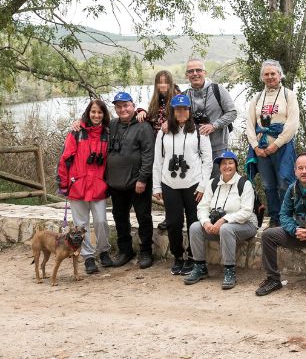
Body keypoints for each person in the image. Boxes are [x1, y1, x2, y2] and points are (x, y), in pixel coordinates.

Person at [255, 153, 306, 296]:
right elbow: (284, 215)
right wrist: (295, 230)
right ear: (295, 171)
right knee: (268, 235)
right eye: (300, 168)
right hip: (298, 232)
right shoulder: (293, 188)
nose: (304, 171)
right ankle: (273, 279)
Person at [153, 94, 213, 275]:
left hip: (193, 184)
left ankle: (194, 256)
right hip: (170, 183)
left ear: (189, 111)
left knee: (194, 222)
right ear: (172, 111)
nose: (181, 112)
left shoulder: (199, 132)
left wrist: (203, 185)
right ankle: (178, 255)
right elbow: (158, 160)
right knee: (173, 222)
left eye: (184, 109)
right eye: (177, 109)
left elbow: (207, 161)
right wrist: (157, 186)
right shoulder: (163, 133)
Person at [184, 151, 258, 289]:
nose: (227, 166)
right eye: (224, 163)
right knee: (195, 227)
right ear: (219, 167)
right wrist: (205, 222)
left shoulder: (244, 183)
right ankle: (200, 267)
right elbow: (203, 207)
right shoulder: (212, 183)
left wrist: (224, 220)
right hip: (218, 225)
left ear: (236, 165)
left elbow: (246, 212)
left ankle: (229, 270)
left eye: (230, 163)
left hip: (246, 225)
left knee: (226, 228)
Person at [57, 99, 113, 274]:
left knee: (101, 221)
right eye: (93, 112)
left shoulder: (108, 133)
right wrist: (64, 184)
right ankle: (88, 256)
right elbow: (65, 159)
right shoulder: (76, 133)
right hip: (78, 185)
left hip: (98, 185)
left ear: (104, 115)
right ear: (88, 113)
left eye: (100, 112)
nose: (96, 115)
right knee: (81, 224)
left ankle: (103, 251)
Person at [106, 91, 156, 269]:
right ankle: (125, 251)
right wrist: (77, 124)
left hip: (138, 183)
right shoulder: (112, 125)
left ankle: (146, 252)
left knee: (143, 217)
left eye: (126, 105)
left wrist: (143, 179)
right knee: (120, 218)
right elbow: (92, 124)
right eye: (119, 106)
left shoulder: (143, 126)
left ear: (133, 106)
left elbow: (148, 155)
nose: (123, 109)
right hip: (116, 183)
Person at [247, 60, 299, 226]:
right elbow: (249, 124)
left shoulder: (288, 95)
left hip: (283, 147)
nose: (270, 77)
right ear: (262, 77)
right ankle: (275, 218)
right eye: (266, 74)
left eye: (273, 74)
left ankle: (287, 217)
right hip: (261, 148)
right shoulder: (257, 98)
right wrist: (255, 147)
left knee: (285, 182)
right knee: (269, 185)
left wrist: (276, 144)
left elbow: (292, 124)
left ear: (280, 75)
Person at [183, 58, 237, 177]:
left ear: (205, 72)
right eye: (191, 71)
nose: (195, 73)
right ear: (187, 75)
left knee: (218, 184)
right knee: (198, 188)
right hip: (194, 150)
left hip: (217, 148)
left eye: (198, 70)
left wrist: (214, 125)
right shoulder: (185, 95)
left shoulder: (218, 89)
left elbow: (232, 112)